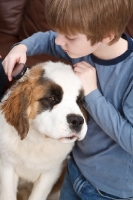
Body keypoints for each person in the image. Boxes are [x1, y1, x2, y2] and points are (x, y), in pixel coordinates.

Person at [2, 0, 133, 199]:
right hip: (75, 170)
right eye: (59, 32)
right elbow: (48, 39)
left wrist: (92, 93)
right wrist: (22, 47)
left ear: (107, 35)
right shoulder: (83, 47)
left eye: (69, 37)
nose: (58, 42)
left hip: (109, 189)